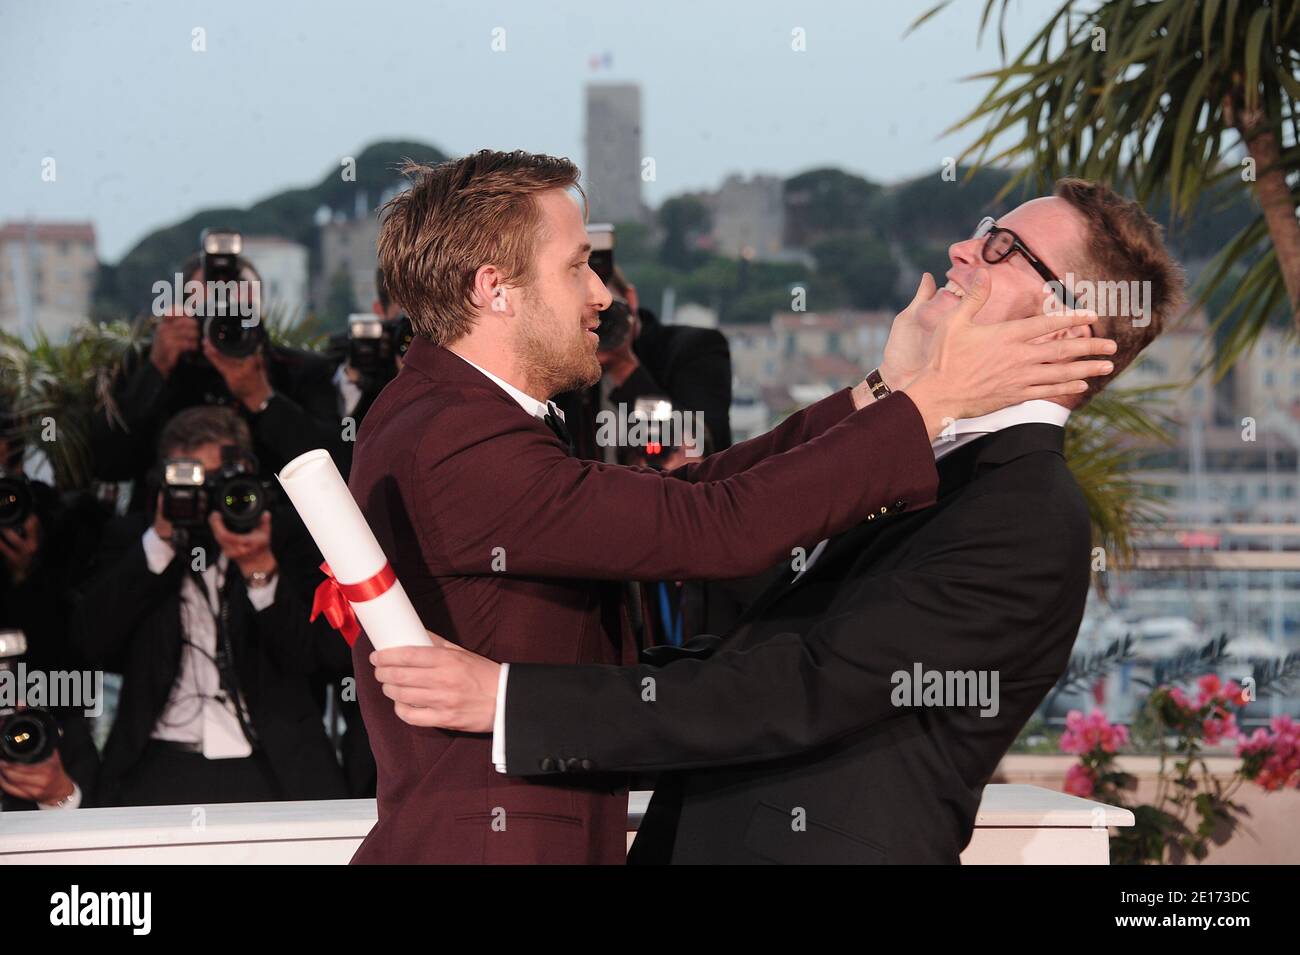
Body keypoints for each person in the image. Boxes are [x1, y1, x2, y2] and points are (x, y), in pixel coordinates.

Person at [368, 178, 1180, 864]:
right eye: (980, 234)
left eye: (1004, 248)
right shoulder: (921, 457)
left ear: (1072, 322)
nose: (964, 251)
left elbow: (793, 685)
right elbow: (718, 521)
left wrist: (513, 700)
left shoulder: (1031, 514)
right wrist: (894, 390)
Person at [73, 406, 349, 807]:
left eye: (216, 482)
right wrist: (160, 543)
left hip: (276, 760)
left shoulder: (284, 533)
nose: (203, 497)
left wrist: (260, 570)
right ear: (163, 481)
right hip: (157, 760)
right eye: (189, 481)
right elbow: (89, 642)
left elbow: (321, 656)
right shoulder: (133, 538)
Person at [91, 254, 347, 512]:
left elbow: (334, 470)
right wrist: (157, 370)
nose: (225, 322)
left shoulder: (300, 369)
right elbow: (109, 464)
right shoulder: (151, 364)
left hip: (272, 527)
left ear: (262, 311)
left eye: (240, 311)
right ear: (184, 315)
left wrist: (263, 398)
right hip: (170, 524)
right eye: (209, 309)